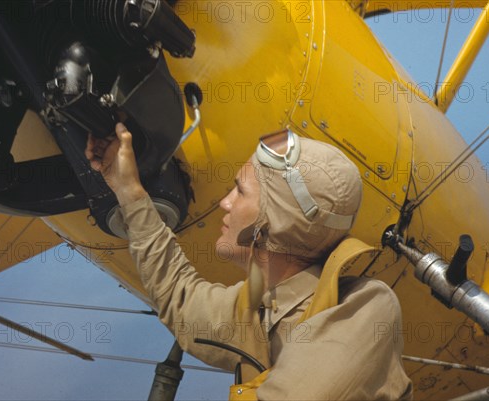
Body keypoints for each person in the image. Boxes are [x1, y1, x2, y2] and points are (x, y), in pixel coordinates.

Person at [86, 122, 413, 400]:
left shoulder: (366, 309)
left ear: (276, 224)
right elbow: (180, 297)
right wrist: (127, 189)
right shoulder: (262, 308)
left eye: (240, 192)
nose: (224, 203)